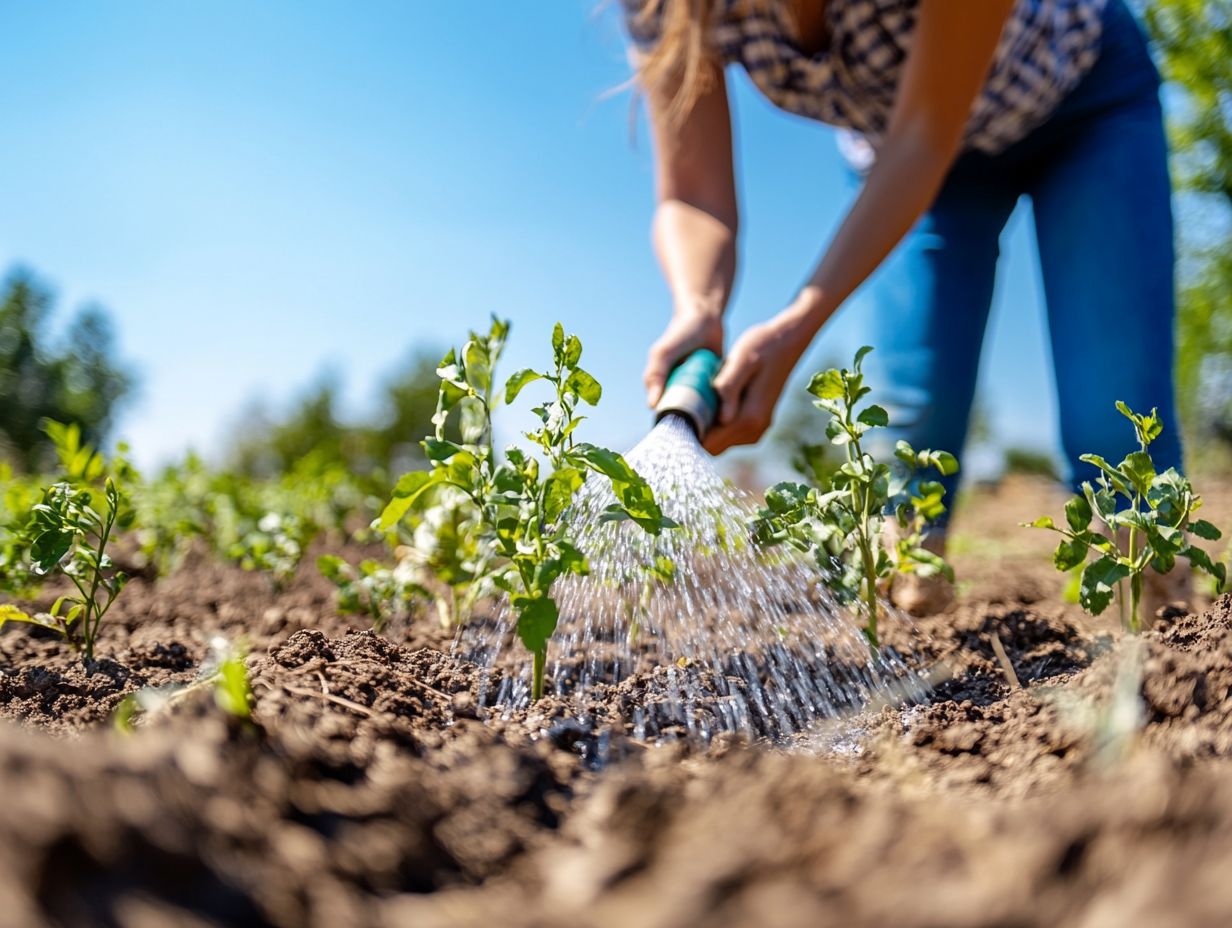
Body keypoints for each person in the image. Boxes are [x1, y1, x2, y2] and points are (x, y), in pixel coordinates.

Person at [621, 0, 1186, 615]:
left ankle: (1154, 624)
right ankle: (914, 618)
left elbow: (926, 133)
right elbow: (692, 195)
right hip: (908, 159)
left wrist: (797, 327)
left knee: (1115, 415)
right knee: (915, 421)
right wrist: (698, 307)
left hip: (1082, 99)